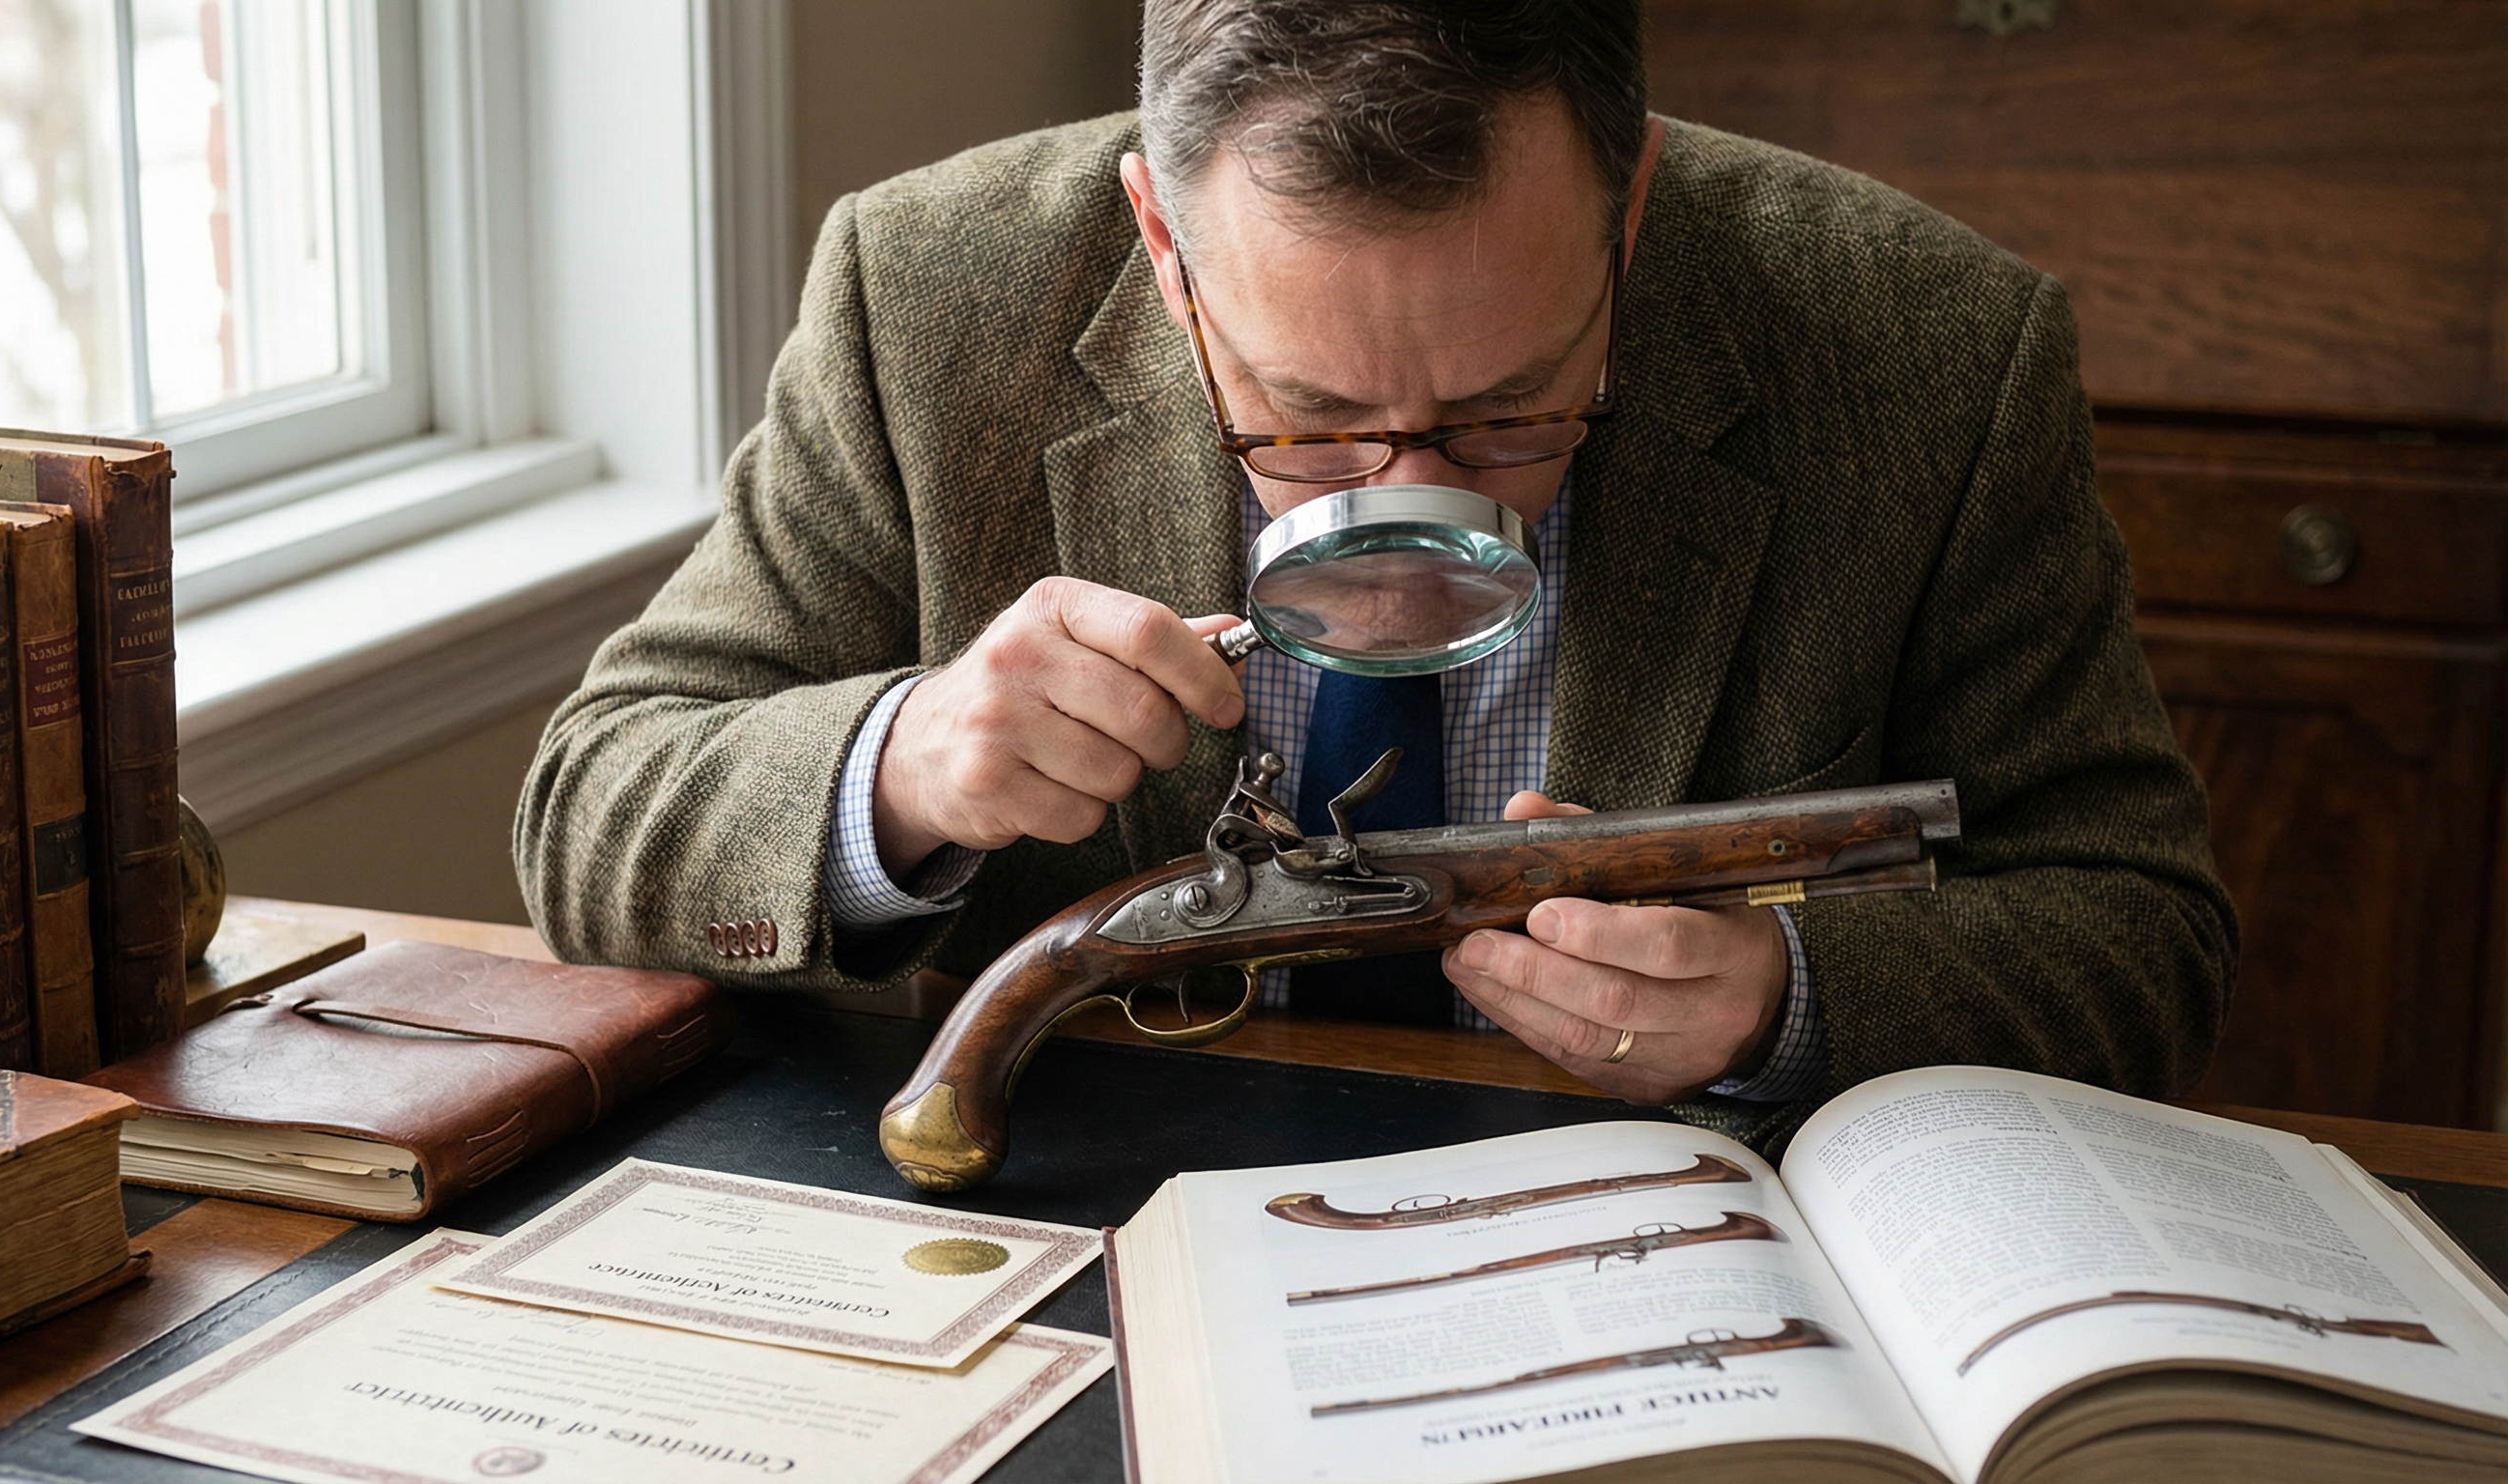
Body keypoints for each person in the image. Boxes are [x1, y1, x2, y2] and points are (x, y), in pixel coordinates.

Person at [516, 0, 2237, 1155]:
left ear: (1630, 217)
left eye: (1507, 411)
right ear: (1163, 250)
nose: (1412, 510)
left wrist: (1778, 1000)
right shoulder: (929, 293)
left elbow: (2139, 923)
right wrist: (908, 760)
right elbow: (592, 813)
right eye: (1315, 421)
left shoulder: (1927, 343)